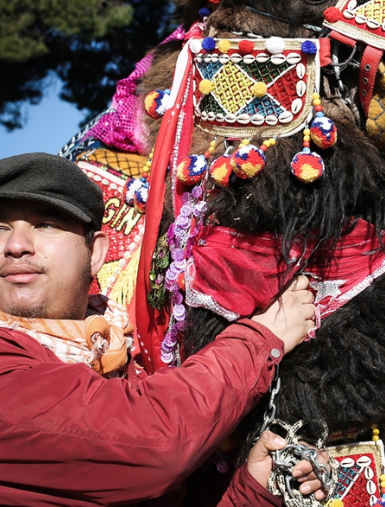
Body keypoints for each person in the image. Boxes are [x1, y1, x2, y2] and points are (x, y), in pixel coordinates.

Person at [0, 152, 325, 506]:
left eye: (45, 225)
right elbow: (154, 441)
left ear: (95, 253)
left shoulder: (123, 352)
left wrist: (255, 489)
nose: (16, 246)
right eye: (0, 228)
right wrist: (261, 338)